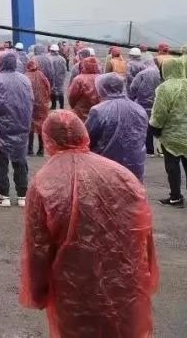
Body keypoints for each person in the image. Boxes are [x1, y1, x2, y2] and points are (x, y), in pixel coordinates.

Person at [20, 111, 158, 337]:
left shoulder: (44, 182)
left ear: (48, 139)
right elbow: (143, 231)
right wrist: (146, 273)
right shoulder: (122, 174)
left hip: (75, 291)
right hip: (125, 285)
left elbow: (38, 247)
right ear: (84, 134)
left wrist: (38, 292)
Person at [0, 51, 34, 207]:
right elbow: (31, 101)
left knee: (1, 162)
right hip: (22, 125)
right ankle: (22, 195)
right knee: (20, 161)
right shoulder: (25, 79)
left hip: (1, 126)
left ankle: (4, 196)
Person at [85, 73, 148, 182]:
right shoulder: (139, 109)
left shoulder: (99, 110)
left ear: (102, 89)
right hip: (134, 165)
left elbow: (87, 137)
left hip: (107, 165)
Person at [150, 56, 187, 206]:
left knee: (172, 167)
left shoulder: (165, 88)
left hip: (171, 135)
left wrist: (155, 128)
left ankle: (176, 197)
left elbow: (159, 113)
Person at [129, 61, 162, 156]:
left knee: (144, 125)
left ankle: (148, 149)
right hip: (157, 102)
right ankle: (159, 149)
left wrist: (133, 97)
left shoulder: (141, 74)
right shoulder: (160, 73)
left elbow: (133, 88)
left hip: (143, 103)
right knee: (155, 124)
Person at [24, 58, 51, 156]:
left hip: (29, 104)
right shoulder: (41, 75)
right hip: (41, 104)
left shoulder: (25, 76)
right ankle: (41, 149)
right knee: (41, 126)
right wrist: (47, 99)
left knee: (30, 126)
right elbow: (48, 87)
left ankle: (30, 149)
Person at [67, 56, 101, 121]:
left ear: (84, 66)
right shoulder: (101, 78)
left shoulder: (79, 79)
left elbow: (72, 96)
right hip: (98, 113)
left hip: (81, 112)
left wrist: (74, 107)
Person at [47, 44, 68, 110]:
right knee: (60, 92)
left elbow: (49, 70)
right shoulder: (62, 59)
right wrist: (63, 77)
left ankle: (53, 106)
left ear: (51, 50)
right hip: (60, 78)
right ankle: (61, 107)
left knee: (52, 91)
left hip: (52, 78)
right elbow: (65, 70)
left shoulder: (48, 58)